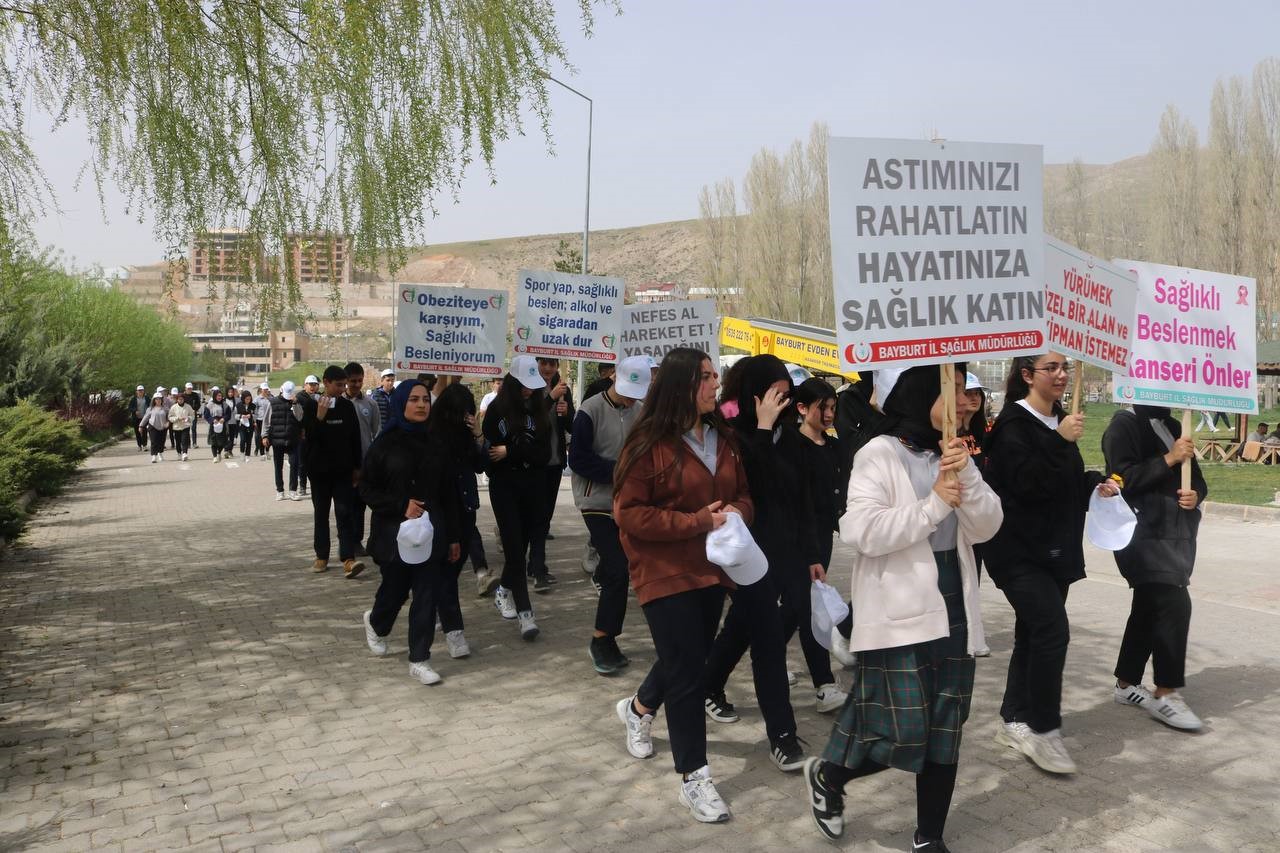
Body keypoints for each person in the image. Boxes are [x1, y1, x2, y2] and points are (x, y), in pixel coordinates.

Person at [802, 365, 1002, 849]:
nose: (964, 400)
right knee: (905, 729)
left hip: (953, 599)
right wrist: (932, 504)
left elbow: (989, 524)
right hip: (899, 604)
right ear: (919, 396)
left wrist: (965, 476)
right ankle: (830, 775)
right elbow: (862, 532)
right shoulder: (880, 452)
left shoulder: (954, 454)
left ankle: (928, 837)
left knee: (946, 725)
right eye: (952, 389)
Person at [611, 347, 753, 823]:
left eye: (716, 376)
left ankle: (639, 707)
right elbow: (628, 514)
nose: (716, 385)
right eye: (707, 378)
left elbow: (743, 496)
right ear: (682, 386)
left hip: (713, 569)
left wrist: (737, 513)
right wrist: (697, 521)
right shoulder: (647, 443)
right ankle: (695, 778)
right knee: (689, 671)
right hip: (662, 571)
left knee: (686, 657)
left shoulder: (723, 437)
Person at [982, 354, 1118, 775]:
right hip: (1017, 552)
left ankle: (1013, 719)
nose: (1061, 376)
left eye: (1065, 369)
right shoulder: (1011, 426)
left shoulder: (1059, 420)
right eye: (1051, 368)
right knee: (1052, 631)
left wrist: (1094, 483)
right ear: (1027, 376)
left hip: (1054, 552)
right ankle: (1043, 729)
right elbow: (1025, 484)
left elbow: (1061, 482)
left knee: (1033, 634)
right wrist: (1059, 441)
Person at [703, 355, 839, 742]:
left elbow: (803, 499)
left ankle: (810, 689)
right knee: (744, 624)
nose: (781, 404)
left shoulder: (790, 436)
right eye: (774, 395)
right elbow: (753, 485)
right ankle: (710, 685)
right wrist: (762, 428)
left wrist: (812, 554)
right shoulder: (729, 428)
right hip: (750, 549)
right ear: (756, 393)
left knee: (793, 611)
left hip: (790, 548)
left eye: (786, 396)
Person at [1102, 404, 1207, 732]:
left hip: (1176, 534)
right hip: (1143, 535)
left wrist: (1195, 494)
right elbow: (1122, 479)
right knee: (1174, 603)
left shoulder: (1175, 425)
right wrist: (1169, 459)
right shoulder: (1123, 425)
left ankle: (1126, 684)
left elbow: (1198, 479)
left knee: (1149, 607)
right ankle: (1166, 693)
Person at [359, 378, 463, 684]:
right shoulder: (384, 444)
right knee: (394, 592)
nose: (421, 405)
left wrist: (455, 536)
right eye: (414, 399)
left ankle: (420, 658)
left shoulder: (437, 443)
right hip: (394, 533)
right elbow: (366, 488)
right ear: (400, 402)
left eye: (425, 400)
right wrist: (400, 504)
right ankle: (377, 622)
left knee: (427, 594)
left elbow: (449, 494)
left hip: (431, 534)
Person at [569, 355, 651, 676]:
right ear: (614, 377)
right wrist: (618, 472)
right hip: (596, 502)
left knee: (622, 568)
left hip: (629, 501)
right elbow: (578, 459)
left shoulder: (640, 412)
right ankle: (601, 639)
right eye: (628, 389)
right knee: (618, 568)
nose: (631, 398)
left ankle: (609, 637)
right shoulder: (589, 410)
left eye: (637, 392)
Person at [482, 355, 551, 640]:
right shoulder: (497, 410)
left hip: (533, 486)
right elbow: (490, 457)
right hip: (504, 488)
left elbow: (543, 454)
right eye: (524, 385)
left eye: (532, 385)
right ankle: (526, 615)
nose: (529, 390)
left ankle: (504, 590)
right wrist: (514, 454)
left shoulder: (538, 408)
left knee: (519, 550)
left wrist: (512, 452)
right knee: (513, 550)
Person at [426, 382, 488, 660]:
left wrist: (477, 434)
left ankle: (439, 609)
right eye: (462, 413)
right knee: (446, 572)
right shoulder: (432, 438)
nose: (465, 417)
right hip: (439, 512)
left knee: (449, 571)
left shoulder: (465, 435)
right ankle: (454, 630)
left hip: (465, 508)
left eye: (469, 413)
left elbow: (481, 465)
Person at [296, 365, 365, 578]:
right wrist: (320, 416)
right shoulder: (310, 406)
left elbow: (355, 439)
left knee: (345, 514)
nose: (342, 388)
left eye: (344, 384)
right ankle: (321, 556)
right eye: (338, 385)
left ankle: (348, 558)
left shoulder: (347, 407)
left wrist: (357, 467)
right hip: (319, 473)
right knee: (321, 514)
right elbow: (308, 440)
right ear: (326, 383)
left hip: (343, 472)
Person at [527, 357, 575, 591]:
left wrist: (566, 413)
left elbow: (572, 426)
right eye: (543, 363)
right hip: (534, 463)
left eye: (552, 364)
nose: (547, 369)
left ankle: (533, 565)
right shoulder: (527, 385)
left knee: (544, 517)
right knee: (535, 517)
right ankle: (538, 569)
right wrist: (550, 398)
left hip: (555, 463)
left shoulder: (563, 388)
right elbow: (529, 421)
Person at [345, 361, 382, 556]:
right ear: (345, 381)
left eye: (360, 380)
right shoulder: (338, 403)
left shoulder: (370, 404)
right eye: (353, 381)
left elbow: (376, 432)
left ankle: (357, 540)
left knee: (360, 505)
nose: (357, 384)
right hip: (343, 464)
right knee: (345, 505)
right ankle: (346, 541)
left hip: (365, 464)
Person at [263, 381, 303, 500]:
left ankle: (293, 490)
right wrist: (264, 436)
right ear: (281, 390)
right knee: (278, 465)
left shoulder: (296, 402)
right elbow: (266, 421)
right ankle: (280, 490)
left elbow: (300, 417)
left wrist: (295, 403)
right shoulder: (272, 402)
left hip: (293, 439)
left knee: (294, 464)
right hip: (277, 439)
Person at [295, 375, 320, 497]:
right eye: (310, 384)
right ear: (305, 385)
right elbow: (297, 416)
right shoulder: (299, 398)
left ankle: (316, 485)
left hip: (317, 433)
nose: (312, 387)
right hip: (303, 434)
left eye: (314, 384)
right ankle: (303, 486)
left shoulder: (320, 397)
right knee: (302, 462)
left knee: (315, 461)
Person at [202, 388, 233, 462]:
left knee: (222, 442)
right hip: (214, 425)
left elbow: (228, 414)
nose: (219, 397)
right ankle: (215, 456)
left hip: (222, 425)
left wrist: (224, 419)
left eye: (220, 396)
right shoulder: (210, 404)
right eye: (218, 396)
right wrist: (212, 420)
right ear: (215, 396)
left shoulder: (225, 404)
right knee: (214, 442)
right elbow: (206, 415)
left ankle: (219, 452)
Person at [142, 394, 170, 462]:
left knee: (161, 442)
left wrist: (168, 423)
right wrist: (141, 426)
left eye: (159, 399)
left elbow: (169, 417)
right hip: (152, 426)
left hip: (163, 427)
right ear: (154, 400)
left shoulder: (165, 408)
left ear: (161, 400)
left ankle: (160, 453)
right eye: (156, 399)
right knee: (154, 441)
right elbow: (145, 418)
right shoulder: (150, 409)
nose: (158, 400)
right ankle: (154, 456)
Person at [168, 391, 194, 462]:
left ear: (184, 399)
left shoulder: (188, 406)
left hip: (185, 426)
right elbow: (170, 417)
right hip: (177, 427)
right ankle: (179, 453)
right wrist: (177, 418)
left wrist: (188, 418)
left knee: (184, 440)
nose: (180, 400)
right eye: (179, 399)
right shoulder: (173, 407)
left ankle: (185, 453)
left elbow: (192, 415)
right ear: (177, 400)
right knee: (178, 441)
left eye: (182, 399)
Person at [253, 383, 272, 459]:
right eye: (264, 389)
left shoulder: (271, 398)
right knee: (262, 437)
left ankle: (267, 450)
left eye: (267, 389)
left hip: (269, 420)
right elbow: (253, 411)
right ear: (261, 390)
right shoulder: (257, 399)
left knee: (269, 436)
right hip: (260, 420)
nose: (266, 391)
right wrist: (254, 421)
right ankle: (262, 452)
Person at [128, 385, 149, 451]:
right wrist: (135, 411)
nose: (140, 392)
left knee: (144, 432)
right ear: (136, 391)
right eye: (139, 391)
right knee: (137, 432)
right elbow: (130, 408)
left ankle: (144, 445)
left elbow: (150, 405)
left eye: (141, 390)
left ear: (143, 391)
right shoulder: (133, 399)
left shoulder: (147, 398)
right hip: (136, 418)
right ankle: (139, 445)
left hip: (144, 418)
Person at [235, 390, 255, 456]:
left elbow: (256, 415)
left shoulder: (253, 406)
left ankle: (247, 455)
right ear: (243, 398)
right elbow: (235, 416)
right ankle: (242, 452)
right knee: (243, 439)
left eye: (249, 399)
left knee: (249, 441)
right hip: (242, 425)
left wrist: (251, 415)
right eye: (247, 399)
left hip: (250, 425)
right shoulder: (238, 405)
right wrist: (241, 416)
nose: (248, 400)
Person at [185, 383, 202, 448]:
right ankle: (188, 443)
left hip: (193, 413)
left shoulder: (195, 395)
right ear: (185, 388)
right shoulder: (183, 395)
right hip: (186, 414)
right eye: (188, 388)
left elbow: (198, 404)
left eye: (190, 388)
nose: (189, 389)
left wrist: (195, 409)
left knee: (194, 428)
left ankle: (194, 443)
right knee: (187, 428)